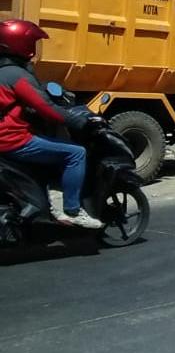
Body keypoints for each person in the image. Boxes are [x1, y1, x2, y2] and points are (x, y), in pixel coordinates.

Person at [0, 19, 102, 229]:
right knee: (76, 153)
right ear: (21, 44)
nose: (34, 48)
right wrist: (79, 122)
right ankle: (73, 211)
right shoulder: (17, 75)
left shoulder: (4, 72)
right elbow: (47, 108)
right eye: (31, 42)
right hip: (11, 139)